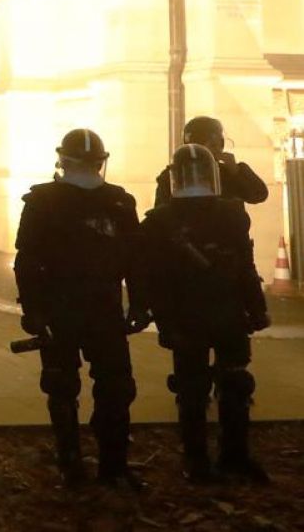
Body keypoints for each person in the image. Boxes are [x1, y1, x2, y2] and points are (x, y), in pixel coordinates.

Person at [14, 129, 148, 489]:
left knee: (70, 388)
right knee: (109, 387)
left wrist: (34, 311)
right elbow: (135, 261)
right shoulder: (118, 202)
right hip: (98, 309)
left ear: (63, 161)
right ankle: (109, 466)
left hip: (66, 310)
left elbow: (27, 262)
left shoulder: (45, 200)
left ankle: (76, 465)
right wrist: (138, 303)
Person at [140, 143, 271, 484]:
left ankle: (207, 459)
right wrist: (256, 308)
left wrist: (163, 320)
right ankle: (225, 457)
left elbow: (153, 279)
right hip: (222, 312)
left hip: (192, 315)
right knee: (226, 386)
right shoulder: (229, 212)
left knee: (199, 390)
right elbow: (244, 266)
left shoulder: (162, 220)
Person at [154, 117, 267, 209]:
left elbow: (259, 195)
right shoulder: (173, 175)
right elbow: (161, 213)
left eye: (220, 144)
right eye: (213, 145)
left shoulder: (227, 172)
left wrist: (237, 171)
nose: (218, 150)